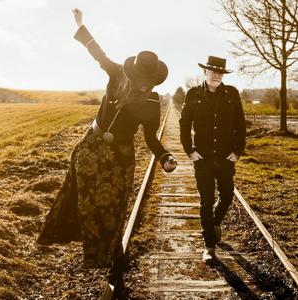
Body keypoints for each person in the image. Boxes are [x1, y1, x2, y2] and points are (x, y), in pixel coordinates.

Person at [37, 8, 177, 282]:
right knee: (87, 203)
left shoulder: (151, 102)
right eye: (141, 81)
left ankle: (112, 253)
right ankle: (91, 250)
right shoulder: (117, 74)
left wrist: (164, 156)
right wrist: (81, 26)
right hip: (92, 147)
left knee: (114, 207)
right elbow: (97, 52)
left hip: (121, 156)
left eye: (149, 83)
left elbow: (150, 137)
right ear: (133, 74)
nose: (144, 87)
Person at [179, 56, 246, 264]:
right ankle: (209, 247)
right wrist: (190, 151)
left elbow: (240, 124)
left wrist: (237, 151)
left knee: (227, 196)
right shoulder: (193, 94)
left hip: (226, 158)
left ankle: (214, 223)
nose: (216, 76)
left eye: (220, 73)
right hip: (203, 159)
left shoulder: (232, 94)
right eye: (213, 72)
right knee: (206, 202)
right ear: (205, 73)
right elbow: (183, 125)